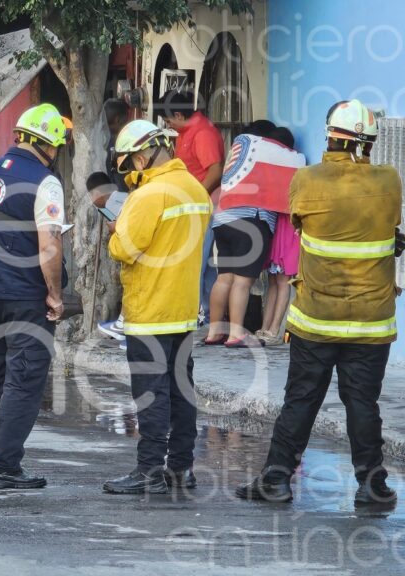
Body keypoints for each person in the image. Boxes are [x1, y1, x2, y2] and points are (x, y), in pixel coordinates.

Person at [237, 100, 404, 506]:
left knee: (301, 400)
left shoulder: (306, 181)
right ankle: (371, 486)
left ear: (330, 136)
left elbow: (300, 223)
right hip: (370, 322)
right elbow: (388, 228)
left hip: (316, 319)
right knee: (363, 403)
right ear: (367, 143)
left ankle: (275, 481)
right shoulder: (389, 182)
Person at [0, 104, 69, 490]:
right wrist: (55, 295)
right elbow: (50, 245)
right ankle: (3, 467)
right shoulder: (46, 181)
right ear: (50, 146)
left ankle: (0, 456)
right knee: (24, 379)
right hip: (26, 294)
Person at [102, 119, 211, 494]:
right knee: (182, 391)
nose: (132, 170)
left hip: (149, 310)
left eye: (131, 162)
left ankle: (149, 471)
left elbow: (124, 249)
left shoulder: (150, 195)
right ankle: (181, 469)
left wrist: (116, 230)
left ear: (144, 155)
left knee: (151, 394)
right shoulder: (196, 188)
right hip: (183, 311)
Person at [203, 120, 279, 348]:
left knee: (224, 277)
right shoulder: (267, 152)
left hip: (223, 220)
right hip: (250, 221)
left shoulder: (238, 150)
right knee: (242, 282)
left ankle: (215, 331)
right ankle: (236, 333)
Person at [158, 90, 225, 325]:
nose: (170, 126)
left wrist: (196, 196)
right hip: (193, 206)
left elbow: (215, 170)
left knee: (194, 263)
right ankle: (206, 316)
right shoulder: (187, 131)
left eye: (169, 122)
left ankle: (191, 314)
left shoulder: (202, 132)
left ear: (178, 114)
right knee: (203, 265)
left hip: (202, 207)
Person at [258, 127, 301, 346]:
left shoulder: (295, 169)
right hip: (279, 228)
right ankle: (266, 327)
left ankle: (274, 330)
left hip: (288, 229)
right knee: (274, 280)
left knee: (282, 280)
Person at [96, 99, 131, 344]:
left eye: (110, 123)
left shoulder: (127, 143)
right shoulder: (107, 142)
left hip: (128, 204)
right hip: (114, 204)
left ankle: (126, 318)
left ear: (118, 119)